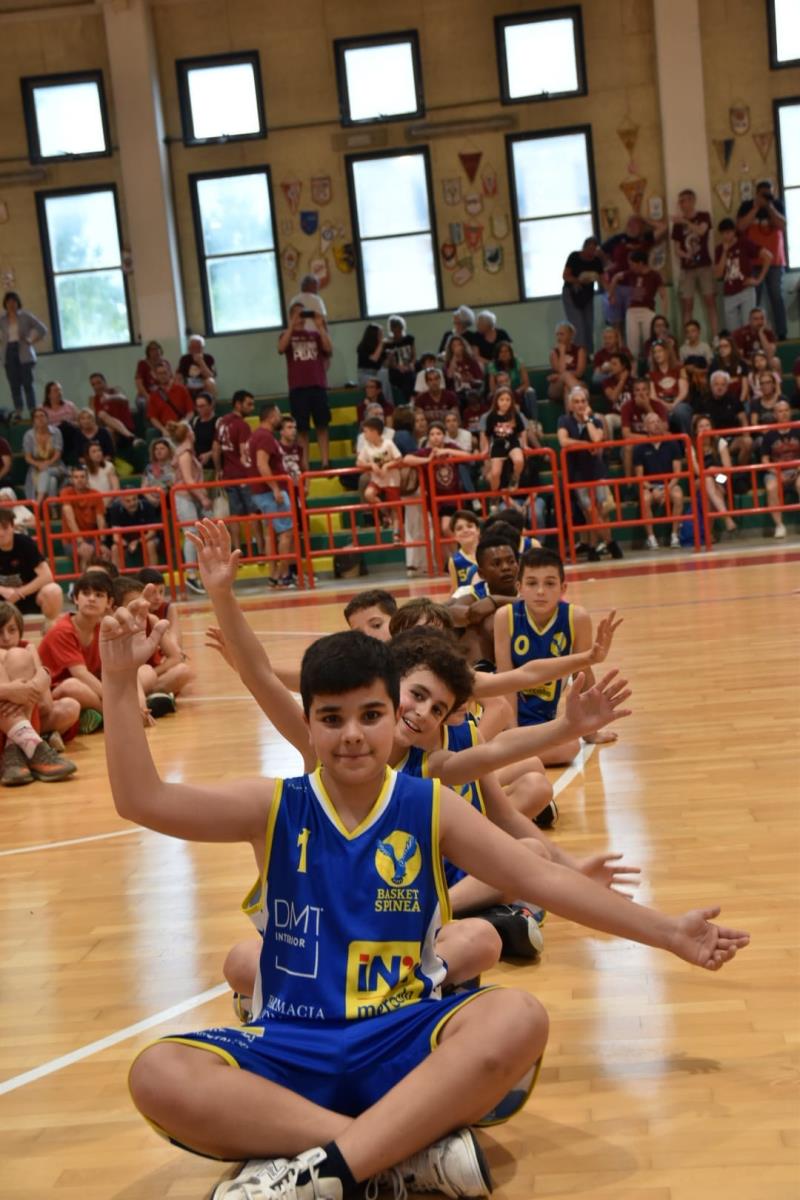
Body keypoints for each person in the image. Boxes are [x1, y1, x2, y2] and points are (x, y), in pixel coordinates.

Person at [100, 598, 747, 1200]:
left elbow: (543, 880)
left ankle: (323, 1166)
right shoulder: (271, 805)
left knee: (517, 1015)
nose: (353, 734)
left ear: (394, 717)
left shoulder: (430, 803)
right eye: (332, 719)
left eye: (370, 715)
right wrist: (120, 680)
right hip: (293, 1038)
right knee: (157, 1071)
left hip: (399, 1032)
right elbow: (142, 799)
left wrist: (669, 932)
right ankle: (399, 1152)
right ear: (307, 724)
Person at [493, 548, 628, 764]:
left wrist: (591, 732)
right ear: (519, 588)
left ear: (563, 588)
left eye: (549, 583)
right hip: (504, 714)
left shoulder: (576, 617)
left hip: (543, 718)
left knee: (570, 748)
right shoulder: (505, 616)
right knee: (562, 747)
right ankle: (507, 752)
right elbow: (504, 681)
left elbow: (583, 673)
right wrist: (513, 734)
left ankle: (504, 755)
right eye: (531, 583)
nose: (540, 591)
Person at [39, 571, 113, 734]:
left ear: (109, 602)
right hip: (51, 696)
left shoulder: (104, 629)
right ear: (75, 599)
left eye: (99, 595)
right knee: (73, 687)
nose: (91, 598)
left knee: (143, 673)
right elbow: (80, 674)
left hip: (86, 690)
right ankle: (113, 716)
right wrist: (117, 704)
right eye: (86, 593)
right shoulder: (63, 630)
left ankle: (93, 715)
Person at [557, 387, 623, 562]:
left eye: (583, 401)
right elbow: (563, 441)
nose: (580, 405)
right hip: (577, 473)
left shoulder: (596, 420)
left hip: (596, 471)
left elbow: (596, 438)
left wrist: (587, 419)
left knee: (599, 511)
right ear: (570, 405)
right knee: (590, 511)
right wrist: (584, 444)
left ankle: (593, 548)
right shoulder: (564, 420)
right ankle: (610, 543)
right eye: (576, 402)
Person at [112, 576, 193, 713]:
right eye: (134, 604)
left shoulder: (151, 620)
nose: (140, 607)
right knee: (144, 672)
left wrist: (154, 674)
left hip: (149, 678)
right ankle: (148, 701)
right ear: (116, 609)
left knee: (183, 671)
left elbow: (175, 657)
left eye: (142, 602)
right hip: (124, 683)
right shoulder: (111, 628)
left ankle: (148, 698)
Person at [278, 304, 332, 471]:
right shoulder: (287, 335)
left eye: (302, 314)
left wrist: (320, 326)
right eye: (297, 314)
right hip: (298, 387)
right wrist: (291, 325)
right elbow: (281, 348)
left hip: (317, 385)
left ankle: (325, 461)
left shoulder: (315, 335)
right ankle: (305, 464)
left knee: (322, 425)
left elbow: (328, 349)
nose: (300, 317)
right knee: (301, 429)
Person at [248, 403, 296, 589]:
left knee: (272, 534)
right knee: (286, 532)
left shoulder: (257, 435)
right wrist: (275, 488)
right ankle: (281, 575)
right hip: (269, 492)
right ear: (271, 416)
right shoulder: (264, 437)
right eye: (278, 414)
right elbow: (262, 464)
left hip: (263, 491)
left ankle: (275, 575)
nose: (280, 417)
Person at [400, 420, 472, 537]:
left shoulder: (451, 447)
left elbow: (468, 456)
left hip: (452, 498)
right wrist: (427, 460)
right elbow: (406, 459)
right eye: (432, 434)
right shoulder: (426, 452)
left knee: (446, 528)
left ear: (444, 435)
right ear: (428, 437)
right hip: (434, 500)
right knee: (438, 534)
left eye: (438, 433)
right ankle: (455, 549)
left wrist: (446, 451)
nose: (435, 437)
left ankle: (464, 545)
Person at [736, 179, 788, 340]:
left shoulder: (777, 205)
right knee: (754, 298)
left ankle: (781, 333)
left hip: (775, 261)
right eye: (763, 194)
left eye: (769, 194)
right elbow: (740, 227)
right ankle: (753, 334)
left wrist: (770, 206)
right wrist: (756, 207)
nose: (766, 196)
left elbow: (783, 225)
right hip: (753, 261)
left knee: (776, 296)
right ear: (756, 193)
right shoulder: (747, 206)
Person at [169, 421, 211, 595]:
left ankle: (197, 573)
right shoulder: (185, 453)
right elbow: (188, 480)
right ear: (189, 434)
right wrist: (203, 497)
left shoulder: (186, 452)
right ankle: (191, 575)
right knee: (191, 534)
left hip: (188, 497)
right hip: (184, 497)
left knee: (195, 533)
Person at [0, 507, 62, 625]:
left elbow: (47, 576)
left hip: (29, 595)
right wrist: (3, 590)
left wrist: (19, 593)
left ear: (13, 527)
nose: (1, 533)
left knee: (53, 591)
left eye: (5, 528)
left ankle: (51, 627)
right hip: (3, 598)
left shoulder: (25, 543)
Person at [633, 412, 685, 549]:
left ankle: (674, 535)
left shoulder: (672, 444)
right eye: (652, 422)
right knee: (645, 499)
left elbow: (677, 473)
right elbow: (639, 476)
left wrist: (667, 489)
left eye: (658, 421)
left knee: (678, 495)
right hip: (650, 486)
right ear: (645, 427)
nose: (656, 424)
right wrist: (652, 489)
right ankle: (651, 538)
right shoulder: (639, 448)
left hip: (669, 484)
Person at [671, 189, 718, 337]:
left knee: (710, 301)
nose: (681, 204)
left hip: (705, 266)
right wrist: (686, 255)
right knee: (687, 305)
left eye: (683, 201)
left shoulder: (703, 216)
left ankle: (715, 337)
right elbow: (677, 249)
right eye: (679, 201)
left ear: (692, 201)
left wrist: (685, 221)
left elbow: (701, 231)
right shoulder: (677, 225)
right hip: (687, 268)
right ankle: (688, 339)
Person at [213, 389, 258, 539]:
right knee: (253, 512)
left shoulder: (221, 423)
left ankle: (237, 548)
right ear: (238, 404)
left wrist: (219, 470)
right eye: (249, 404)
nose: (252, 408)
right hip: (243, 474)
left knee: (234, 515)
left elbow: (215, 449)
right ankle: (260, 547)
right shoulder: (242, 425)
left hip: (228, 474)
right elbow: (245, 452)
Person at [713, 219, 771, 333]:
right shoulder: (719, 249)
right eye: (723, 233)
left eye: (728, 232)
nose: (726, 236)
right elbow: (718, 274)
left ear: (734, 231)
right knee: (734, 331)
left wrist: (758, 280)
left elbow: (768, 256)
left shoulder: (744, 243)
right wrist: (724, 252)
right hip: (729, 292)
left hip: (745, 289)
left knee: (750, 326)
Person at [608, 251, 667, 363]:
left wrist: (663, 316)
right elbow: (615, 277)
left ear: (640, 263)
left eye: (632, 264)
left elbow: (663, 295)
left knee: (649, 342)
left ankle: (651, 366)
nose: (630, 267)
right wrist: (611, 295)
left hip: (648, 310)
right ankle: (633, 368)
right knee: (632, 345)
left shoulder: (655, 275)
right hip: (632, 311)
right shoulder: (631, 273)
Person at [690, 414, 737, 540]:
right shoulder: (691, 446)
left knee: (710, 485)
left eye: (707, 425)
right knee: (707, 481)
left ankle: (709, 533)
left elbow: (728, 467)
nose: (705, 428)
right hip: (698, 481)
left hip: (721, 477)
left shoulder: (720, 442)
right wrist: (709, 472)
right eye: (701, 426)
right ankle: (727, 518)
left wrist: (714, 470)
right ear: (696, 430)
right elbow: (697, 471)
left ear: (712, 427)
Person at [0, 291, 47, 415]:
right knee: (14, 384)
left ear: (18, 303)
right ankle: (18, 411)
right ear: (5, 303)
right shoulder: (2, 318)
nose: (11, 304)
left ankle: (32, 411)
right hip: (8, 352)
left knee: (27, 384)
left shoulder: (25, 316)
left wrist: (31, 340)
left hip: (24, 352)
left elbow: (42, 329)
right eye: (9, 301)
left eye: (14, 301)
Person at [356, 417, 403, 540]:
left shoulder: (388, 443)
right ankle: (385, 513)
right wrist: (370, 465)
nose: (364, 435)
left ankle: (396, 534)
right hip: (377, 480)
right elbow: (359, 463)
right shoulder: (367, 447)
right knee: (368, 494)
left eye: (366, 431)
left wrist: (387, 465)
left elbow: (399, 459)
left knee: (395, 508)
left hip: (391, 480)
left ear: (374, 432)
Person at [761, 398, 799, 540]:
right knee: (771, 487)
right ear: (775, 414)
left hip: (797, 469)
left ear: (790, 412)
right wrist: (777, 473)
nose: (784, 414)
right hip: (776, 471)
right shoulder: (769, 435)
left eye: (786, 410)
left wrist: (798, 469)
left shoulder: (798, 429)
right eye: (780, 411)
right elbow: (764, 459)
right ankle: (779, 525)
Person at [59, 465, 108, 573]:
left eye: (82, 477)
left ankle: (106, 581)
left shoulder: (95, 494)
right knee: (87, 552)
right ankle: (84, 582)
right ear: (72, 479)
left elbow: (100, 519)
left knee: (106, 553)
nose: (79, 480)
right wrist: (81, 541)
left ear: (87, 479)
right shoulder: (66, 492)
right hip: (71, 540)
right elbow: (70, 520)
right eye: (76, 477)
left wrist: (102, 542)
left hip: (92, 538)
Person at [561, 236, 605, 351]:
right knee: (578, 326)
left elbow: (602, 279)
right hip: (572, 293)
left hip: (587, 295)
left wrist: (610, 293)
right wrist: (578, 281)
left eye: (594, 249)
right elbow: (565, 275)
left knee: (589, 325)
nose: (591, 252)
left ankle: (589, 353)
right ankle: (579, 353)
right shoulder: (574, 256)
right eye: (589, 249)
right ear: (584, 248)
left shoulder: (596, 261)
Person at [480, 388, 527, 491]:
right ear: (496, 401)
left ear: (511, 401)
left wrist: (524, 444)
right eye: (502, 399)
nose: (505, 402)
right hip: (498, 445)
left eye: (507, 400)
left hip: (513, 443)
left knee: (519, 461)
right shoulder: (491, 416)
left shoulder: (515, 414)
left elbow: (522, 430)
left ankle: (515, 478)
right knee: (495, 473)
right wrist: (486, 448)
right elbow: (487, 435)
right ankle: (495, 494)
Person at [106, 489, 162, 571]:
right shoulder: (115, 509)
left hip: (146, 538)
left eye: (134, 499)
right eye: (128, 501)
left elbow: (152, 532)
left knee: (150, 545)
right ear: (122, 502)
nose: (132, 503)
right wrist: (125, 543)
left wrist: (137, 541)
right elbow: (116, 537)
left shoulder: (147, 506)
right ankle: (117, 576)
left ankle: (153, 574)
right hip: (126, 539)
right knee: (114, 548)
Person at [707, 371, 752, 467]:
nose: (719, 387)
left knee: (748, 442)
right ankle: (724, 473)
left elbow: (743, 419)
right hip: (713, 441)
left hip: (733, 439)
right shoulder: (703, 401)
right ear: (711, 386)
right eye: (716, 384)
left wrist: (746, 435)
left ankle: (740, 471)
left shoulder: (734, 400)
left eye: (723, 385)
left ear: (727, 387)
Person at [648, 340, 692, 436]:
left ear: (667, 352)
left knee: (681, 411)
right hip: (661, 405)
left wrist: (673, 404)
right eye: (655, 352)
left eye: (660, 351)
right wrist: (665, 405)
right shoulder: (651, 374)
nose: (657, 354)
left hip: (679, 403)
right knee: (656, 416)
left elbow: (684, 391)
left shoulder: (680, 368)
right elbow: (653, 396)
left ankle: (687, 442)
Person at [487, 340, 536, 421]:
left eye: (506, 351)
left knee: (531, 392)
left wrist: (516, 391)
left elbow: (526, 383)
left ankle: (533, 420)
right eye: (501, 352)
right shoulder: (493, 365)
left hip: (518, 390)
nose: (504, 354)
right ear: (497, 354)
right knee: (491, 396)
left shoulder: (518, 362)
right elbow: (492, 388)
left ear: (511, 353)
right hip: (500, 392)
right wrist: (502, 393)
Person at [23, 408, 64, 502]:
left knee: (45, 472)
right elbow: (28, 457)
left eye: (42, 416)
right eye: (36, 417)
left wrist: (47, 464)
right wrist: (38, 464)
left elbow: (58, 453)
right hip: (36, 468)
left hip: (56, 466)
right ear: (33, 421)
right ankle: (52, 507)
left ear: (47, 418)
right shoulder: (28, 435)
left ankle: (38, 502)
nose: (40, 418)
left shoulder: (56, 432)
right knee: (52, 481)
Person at [146, 360, 193, 438]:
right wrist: (162, 429)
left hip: (182, 427)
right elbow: (153, 417)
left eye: (165, 372)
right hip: (166, 429)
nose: (162, 376)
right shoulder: (154, 395)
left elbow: (190, 411)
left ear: (170, 373)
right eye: (159, 373)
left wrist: (184, 423)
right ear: (156, 376)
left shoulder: (181, 389)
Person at [88, 372, 137, 441]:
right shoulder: (93, 399)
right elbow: (94, 420)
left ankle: (129, 435)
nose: (97, 387)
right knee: (105, 425)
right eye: (93, 385)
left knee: (102, 415)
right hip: (108, 430)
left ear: (105, 382)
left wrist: (110, 398)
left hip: (125, 428)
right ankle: (131, 437)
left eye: (99, 383)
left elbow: (124, 398)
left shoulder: (115, 390)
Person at [547, 322, 585, 405]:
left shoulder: (579, 350)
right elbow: (561, 371)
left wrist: (560, 375)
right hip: (556, 387)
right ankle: (580, 394)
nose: (559, 337)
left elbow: (579, 373)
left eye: (561, 334)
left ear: (571, 335)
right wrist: (562, 352)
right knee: (565, 376)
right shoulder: (554, 353)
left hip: (575, 383)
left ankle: (571, 413)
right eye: (557, 334)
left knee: (567, 389)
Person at [733, 307, 781, 371]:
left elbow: (770, 354)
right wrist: (753, 363)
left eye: (762, 318)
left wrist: (761, 333)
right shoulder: (739, 333)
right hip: (747, 363)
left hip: (764, 362)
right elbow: (739, 357)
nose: (760, 322)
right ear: (749, 320)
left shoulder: (768, 332)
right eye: (756, 319)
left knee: (775, 361)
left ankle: (776, 378)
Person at [443, 334, 484, 404]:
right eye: (454, 346)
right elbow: (449, 376)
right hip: (456, 393)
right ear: (450, 348)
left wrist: (471, 380)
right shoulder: (448, 364)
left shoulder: (472, 362)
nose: (457, 348)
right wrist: (454, 357)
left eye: (459, 345)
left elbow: (480, 381)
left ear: (463, 346)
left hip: (472, 391)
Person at [384, 315, 416, 401]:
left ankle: (412, 399)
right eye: (395, 331)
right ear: (392, 330)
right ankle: (407, 400)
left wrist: (411, 364)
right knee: (404, 379)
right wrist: (398, 367)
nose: (398, 333)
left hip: (408, 367)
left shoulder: (409, 339)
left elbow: (413, 355)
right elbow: (389, 362)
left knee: (411, 376)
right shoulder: (388, 343)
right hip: (396, 369)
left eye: (399, 330)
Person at [175, 334, 217, 400]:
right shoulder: (184, 359)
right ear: (189, 349)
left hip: (204, 383)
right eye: (193, 347)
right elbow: (179, 374)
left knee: (210, 382)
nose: (196, 350)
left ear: (203, 348)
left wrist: (201, 362)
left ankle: (210, 404)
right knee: (177, 382)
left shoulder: (209, 358)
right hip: (188, 383)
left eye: (198, 347)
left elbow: (210, 376)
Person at [447, 509, 480, 590]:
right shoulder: (454, 561)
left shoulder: (489, 553)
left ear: (478, 530)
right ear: (454, 535)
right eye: (459, 528)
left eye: (469, 526)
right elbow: (455, 589)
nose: (465, 530)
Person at [135, 340, 171, 412]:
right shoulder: (142, 364)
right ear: (148, 352)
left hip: (163, 394)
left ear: (161, 350)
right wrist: (148, 397)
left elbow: (171, 380)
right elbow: (139, 384)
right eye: (152, 350)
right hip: (146, 395)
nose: (155, 351)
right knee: (146, 404)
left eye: (157, 349)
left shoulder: (165, 363)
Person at [355, 322, 390, 397]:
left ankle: (387, 402)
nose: (382, 336)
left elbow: (385, 365)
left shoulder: (381, 347)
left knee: (384, 373)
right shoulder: (363, 347)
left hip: (377, 374)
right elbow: (374, 359)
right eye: (380, 334)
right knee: (381, 379)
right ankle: (385, 401)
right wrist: (381, 344)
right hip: (364, 375)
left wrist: (389, 356)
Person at [190, 391, 218, 470]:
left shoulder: (218, 422)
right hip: (198, 465)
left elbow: (224, 445)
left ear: (211, 405)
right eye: (197, 406)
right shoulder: (195, 421)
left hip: (213, 464)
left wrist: (209, 454)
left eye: (202, 406)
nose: (199, 409)